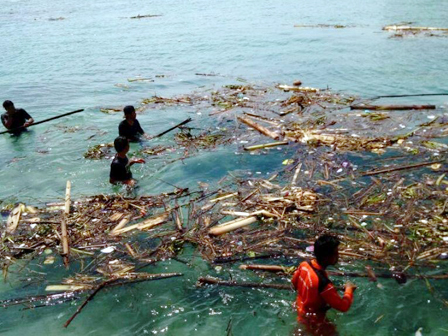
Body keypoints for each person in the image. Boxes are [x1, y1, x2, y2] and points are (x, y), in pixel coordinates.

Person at [292, 234, 357, 336]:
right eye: (336, 253)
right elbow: (343, 306)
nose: (338, 256)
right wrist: (349, 290)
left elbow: (294, 283)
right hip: (315, 321)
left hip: (301, 310)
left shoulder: (304, 265)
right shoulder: (324, 284)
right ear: (327, 257)